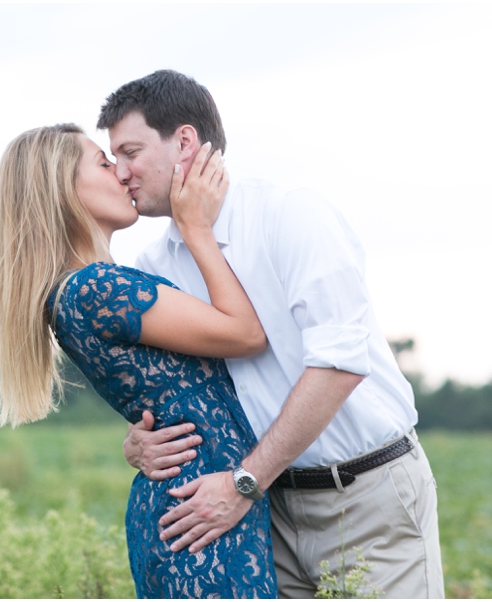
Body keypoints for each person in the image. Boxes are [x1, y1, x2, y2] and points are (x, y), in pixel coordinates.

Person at [99, 70, 444, 598]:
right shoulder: (154, 265)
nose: (120, 172)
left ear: (185, 141)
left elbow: (339, 366)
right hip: (266, 513)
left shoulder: (290, 215)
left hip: (365, 496)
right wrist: (141, 439)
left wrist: (244, 482)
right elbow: (176, 389)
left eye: (129, 151)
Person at [0, 123, 278, 597]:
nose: (122, 174)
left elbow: (158, 390)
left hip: (191, 503)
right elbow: (246, 334)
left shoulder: (79, 290)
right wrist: (197, 228)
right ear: (64, 191)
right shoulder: (99, 288)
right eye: (104, 163)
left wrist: (135, 440)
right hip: (200, 510)